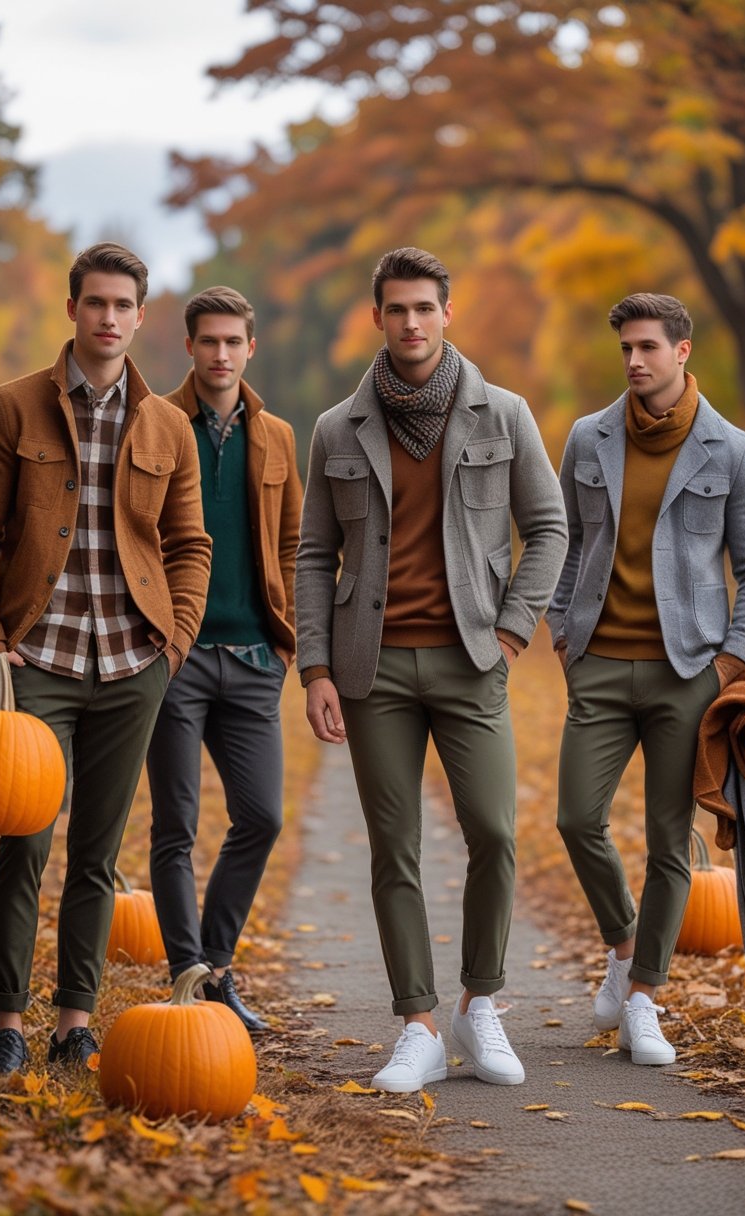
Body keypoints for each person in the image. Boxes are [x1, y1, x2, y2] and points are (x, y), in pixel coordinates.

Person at [295, 247, 568, 1093]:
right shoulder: (337, 428)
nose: (411, 322)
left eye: (425, 307)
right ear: (377, 317)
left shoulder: (503, 414)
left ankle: (479, 1004)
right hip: (370, 668)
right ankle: (416, 1024)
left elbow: (549, 527)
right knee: (395, 847)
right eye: (397, 309)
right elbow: (314, 555)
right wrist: (315, 667)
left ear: (447, 312)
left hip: (473, 660)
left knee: (494, 831)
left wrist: (513, 632)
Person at [0, 243, 212, 1075]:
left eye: (122, 305)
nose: (108, 318)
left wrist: (173, 644)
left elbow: (190, 544)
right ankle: (9, 1021)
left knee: (98, 856)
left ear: (140, 317)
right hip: (34, 661)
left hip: (130, 666)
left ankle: (74, 1021)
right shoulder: (12, 408)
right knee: (24, 846)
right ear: (73, 309)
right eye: (96, 303)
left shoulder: (168, 426)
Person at [546, 293, 745, 1066]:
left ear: (682, 351)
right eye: (626, 348)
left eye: (648, 347)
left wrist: (730, 662)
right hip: (600, 665)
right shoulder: (589, 436)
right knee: (577, 819)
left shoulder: (732, 449)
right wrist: (561, 629)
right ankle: (623, 948)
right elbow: (566, 542)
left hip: (689, 675)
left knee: (670, 844)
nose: (635, 361)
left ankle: (645, 997)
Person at [146, 286, 302, 1031]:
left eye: (233, 341)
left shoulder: (276, 437)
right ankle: (188, 977)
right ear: (190, 346)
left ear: (250, 347)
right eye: (208, 341)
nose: (220, 354)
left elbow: (295, 544)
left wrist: (283, 641)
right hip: (175, 657)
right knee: (175, 824)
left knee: (261, 817)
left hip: (252, 660)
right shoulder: (154, 423)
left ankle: (216, 966)